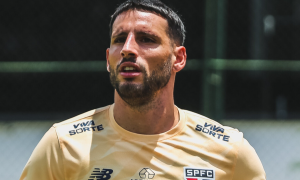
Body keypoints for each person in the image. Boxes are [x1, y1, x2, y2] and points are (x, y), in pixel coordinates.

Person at [20, 0, 266, 180]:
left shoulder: (231, 151)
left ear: (178, 58)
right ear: (109, 60)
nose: (128, 48)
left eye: (146, 39)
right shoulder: (62, 145)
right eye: (119, 39)